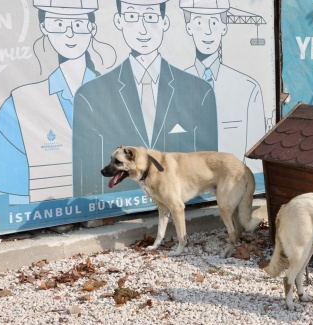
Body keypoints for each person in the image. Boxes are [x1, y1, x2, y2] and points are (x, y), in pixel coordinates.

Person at [72, 0, 218, 196]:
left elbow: (209, 160)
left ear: (165, 22)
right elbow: (83, 174)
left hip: (181, 195)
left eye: (150, 17)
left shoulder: (200, 90)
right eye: (132, 17)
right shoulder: (89, 94)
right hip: (116, 201)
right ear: (119, 20)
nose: (142, 29)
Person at [0, 0, 108, 204]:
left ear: (92, 28)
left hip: (106, 203)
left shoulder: (114, 93)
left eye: (78, 24)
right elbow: (5, 186)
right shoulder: (19, 102)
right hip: (45, 211)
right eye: (59, 24)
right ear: (44, 28)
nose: (70, 33)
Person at [180, 0, 265, 173]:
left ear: (224, 27)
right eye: (199, 23)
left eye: (214, 22)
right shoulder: (175, 85)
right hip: (190, 184)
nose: (208, 31)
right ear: (188, 27)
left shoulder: (248, 88)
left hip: (232, 183)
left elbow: (255, 151)